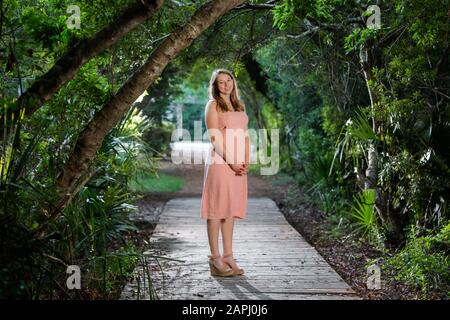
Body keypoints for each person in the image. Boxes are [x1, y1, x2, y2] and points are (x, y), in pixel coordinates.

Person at [200, 69, 250, 277]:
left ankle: (228, 255)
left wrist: (245, 160)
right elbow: (214, 138)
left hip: (239, 165)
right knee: (216, 209)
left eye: (229, 80)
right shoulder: (213, 106)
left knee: (230, 209)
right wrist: (231, 162)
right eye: (221, 82)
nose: (226, 84)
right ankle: (215, 258)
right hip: (221, 163)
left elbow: (245, 135)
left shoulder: (239, 105)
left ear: (233, 82)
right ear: (215, 86)